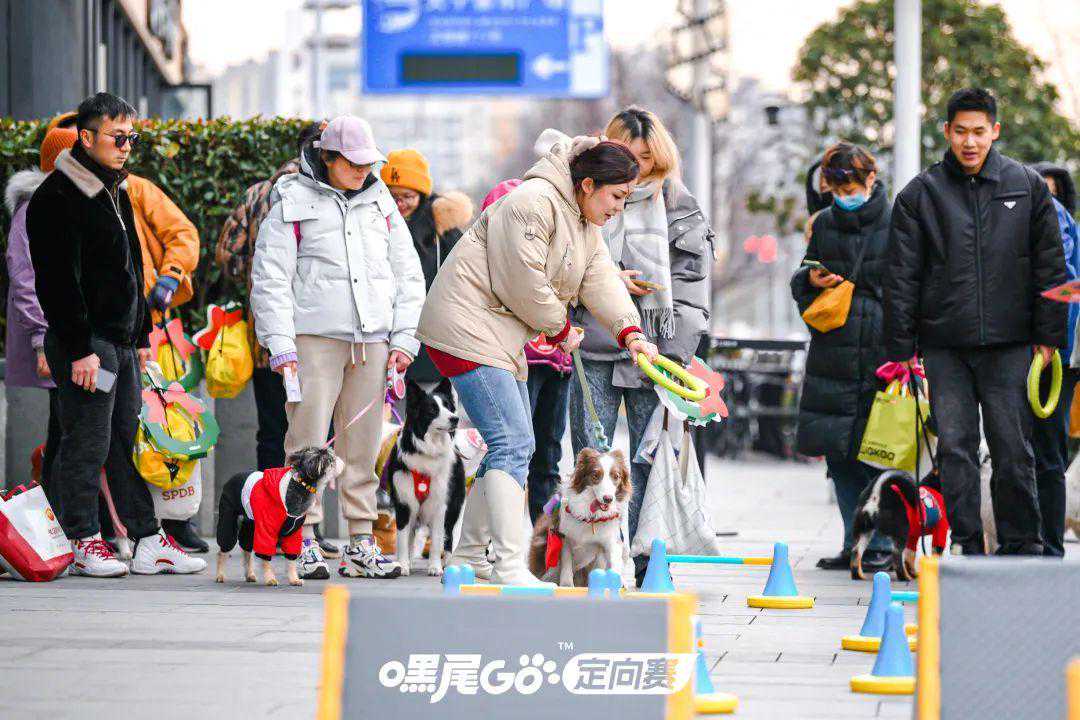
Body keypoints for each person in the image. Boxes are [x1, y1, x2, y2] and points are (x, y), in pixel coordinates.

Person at [417, 136, 657, 586]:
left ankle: (467, 556)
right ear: (587, 184)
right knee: (514, 442)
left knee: (506, 443)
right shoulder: (532, 202)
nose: (620, 208)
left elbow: (600, 278)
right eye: (618, 196)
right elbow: (522, 281)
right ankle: (508, 563)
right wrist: (562, 329)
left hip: (492, 335)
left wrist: (632, 332)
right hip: (466, 327)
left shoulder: (584, 222)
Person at [25, 92, 206, 577]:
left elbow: (129, 270)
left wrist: (142, 335)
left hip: (122, 343)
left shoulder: (116, 189)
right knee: (88, 440)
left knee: (129, 438)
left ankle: (148, 539)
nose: (127, 146)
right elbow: (56, 283)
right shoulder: (56, 196)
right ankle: (83, 539)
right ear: (86, 137)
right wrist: (81, 349)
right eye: (117, 137)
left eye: (132, 137)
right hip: (88, 347)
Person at [884, 88, 1068, 556]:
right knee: (956, 451)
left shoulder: (1026, 187)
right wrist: (902, 349)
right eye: (961, 131)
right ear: (946, 132)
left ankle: (1021, 544)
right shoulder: (919, 195)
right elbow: (900, 277)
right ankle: (968, 545)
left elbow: (1053, 269)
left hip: (1012, 345)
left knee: (1013, 450)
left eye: (979, 132)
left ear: (995, 132)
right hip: (945, 348)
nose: (970, 141)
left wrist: (1049, 338)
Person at [251, 115, 425, 580]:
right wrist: (280, 343)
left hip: (373, 339)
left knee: (364, 445)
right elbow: (270, 276)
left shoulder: (381, 203)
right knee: (306, 439)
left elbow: (408, 273)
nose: (362, 171)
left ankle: (361, 542)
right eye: (352, 163)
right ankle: (301, 538)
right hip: (313, 338)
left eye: (369, 163)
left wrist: (404, 339)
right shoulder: (291, 197)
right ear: (327, 157)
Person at [565, 107, 714, 587]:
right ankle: (587, 556)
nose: (639, 169)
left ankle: (646, 558)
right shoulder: (580, 195)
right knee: (591, 455)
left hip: (655, 353)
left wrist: (674, 358)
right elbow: (561, 264)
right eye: (630, 157)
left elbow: (693, 288)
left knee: (648, 458)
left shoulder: (681, 206)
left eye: (648, 158)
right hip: (593, 344)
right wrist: (605, 283)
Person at [215, 123, 341, 559]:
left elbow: (226, 254)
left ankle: (264, 518)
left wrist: (254, 278)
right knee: (313, 429)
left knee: (272, 429)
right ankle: (302, 526)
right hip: (313, 333)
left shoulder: (258, 193)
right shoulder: (319, 196)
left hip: (264, 335)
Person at [791, 142, 894, 574]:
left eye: (851, 187)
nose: (844, 196)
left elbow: (912, 286)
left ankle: (884, 540)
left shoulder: (897, 221)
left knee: (880, 450)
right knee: (840, 453)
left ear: (871, 180)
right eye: (836, 189)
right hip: (833, 350)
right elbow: (803, 280)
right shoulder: (824, 224)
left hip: (882, 351)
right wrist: (809, 279)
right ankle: (855, 541)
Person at [4, 126, 78, 516]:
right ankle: (60, 519)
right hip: (53, 338)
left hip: (72, 337)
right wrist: (39, 339)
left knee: (66, 428)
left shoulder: (70, 202)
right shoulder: (35, 207)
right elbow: (24, 276)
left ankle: (58, 518)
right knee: (66, 429)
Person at [380, 148, 474, 385]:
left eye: (407, 197)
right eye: (393, 196)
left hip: (431, 327)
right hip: (385, 325)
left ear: (422, 194)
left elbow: (467, 270)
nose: (400, 204)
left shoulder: (442, 225)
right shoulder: (374, 221)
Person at [1028, 162, 1080, 557]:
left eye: (1053, 193)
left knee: (1047, 453)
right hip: (1034, 353)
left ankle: (1047, 544)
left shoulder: (1062, 228)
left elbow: (1065, 289)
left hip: (1054, 359)